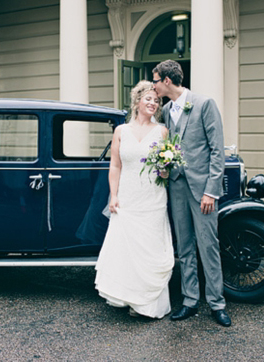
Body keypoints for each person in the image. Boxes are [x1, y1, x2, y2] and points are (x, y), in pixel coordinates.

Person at [153, 60, 232, 327]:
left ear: (166, 80)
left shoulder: (204, 104)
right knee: (184, 246)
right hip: (176, 187)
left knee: (208, 245)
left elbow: (217, 151)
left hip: (203, 191)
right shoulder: (165, 110)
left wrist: (211, 191)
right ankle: (189, 300)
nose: (153, 86)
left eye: (155, 80)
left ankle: (217, 303)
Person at [95, 80, 174, 319]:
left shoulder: (162, 131)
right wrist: (114, 195)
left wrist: (165, 168)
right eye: (148, 99)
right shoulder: (121, 131)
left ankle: (148, 305)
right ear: (137, 101)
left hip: (153, 197)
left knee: (149, 248)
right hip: (128, 197)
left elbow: (166, 171)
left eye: (156, 100)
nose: (153, 103)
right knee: (128, 248)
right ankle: (130, 298)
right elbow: (115, 165)